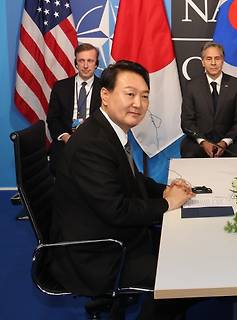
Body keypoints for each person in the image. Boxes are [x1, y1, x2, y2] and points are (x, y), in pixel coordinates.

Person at [49, 60, 195, 319]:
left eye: (145, 96)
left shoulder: (108, 130)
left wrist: (164, 190)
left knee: (189, 246)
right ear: (105, 95)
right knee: (187, 276)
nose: (138, 103)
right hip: (99, 253)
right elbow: (117, 209)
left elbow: (132, 179)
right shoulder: (91, 144)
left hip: (115, 234)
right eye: (130, 94)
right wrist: (167, 203)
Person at [180, 42, 237, 158]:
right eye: (208, 59)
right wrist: (202, 141)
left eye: (217, 58)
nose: (213, 63)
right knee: (189, 150)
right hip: (199, 142)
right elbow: (187, 122)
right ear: (202, 62)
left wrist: (225, 142)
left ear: (223, 61)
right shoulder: (191, 86)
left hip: (228, 142)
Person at [46, 43, 102, 173]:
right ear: (76, 63)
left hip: (95, 145)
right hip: (66, 144)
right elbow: (52, 119)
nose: (86, 65)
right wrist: (65, 137)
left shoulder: (105, 89)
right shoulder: (60, 87)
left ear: (96, 63)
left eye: (90, 61)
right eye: (81, 61)